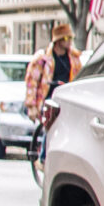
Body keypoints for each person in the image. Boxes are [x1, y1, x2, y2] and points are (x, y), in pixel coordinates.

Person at [24, 22, 78, 160]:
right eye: (66, 39)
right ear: (58, 41)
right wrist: (32, 106)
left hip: (66, 98)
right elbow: (32, 81)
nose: (69, 42)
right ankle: (43, 157)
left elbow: (79, 77)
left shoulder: (74, 58)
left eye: (70, 39)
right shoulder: (43, 59)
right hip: (48, 98)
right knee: (50, 126)